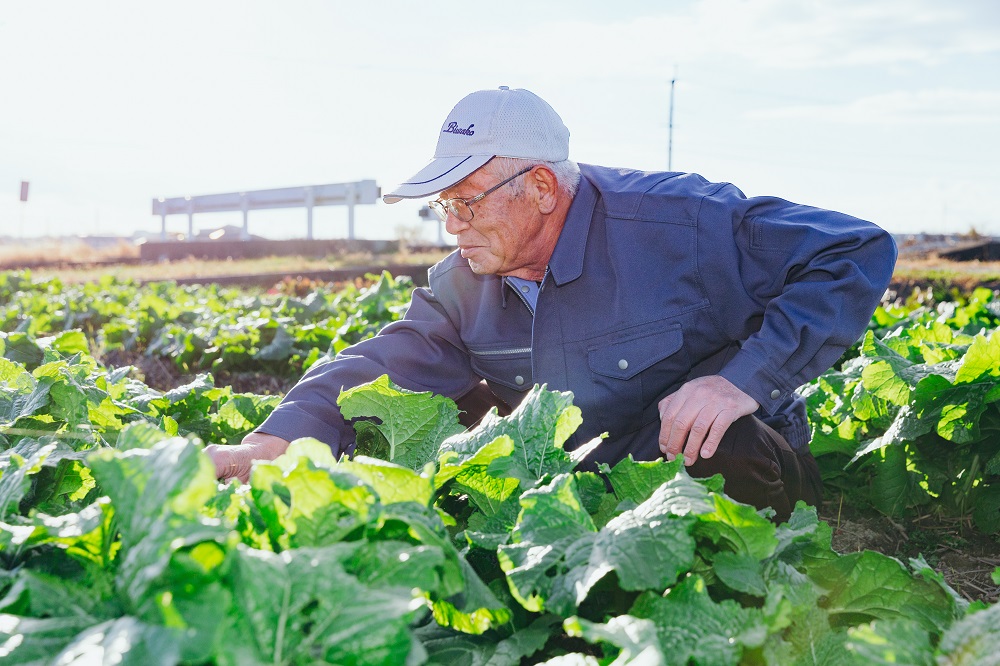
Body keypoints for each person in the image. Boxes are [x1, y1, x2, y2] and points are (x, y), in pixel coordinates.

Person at [206, 86, 896, 522]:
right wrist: (273, 441)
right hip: (580, 495)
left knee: (723, 444)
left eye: (467, 201)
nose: (453, 225)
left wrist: (740, 382)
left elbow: (854, 250)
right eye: (445, 205)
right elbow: (388, 360)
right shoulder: (466, 279)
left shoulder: (677, 223)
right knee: (446, 416)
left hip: (721, 472)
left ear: (539, 185)